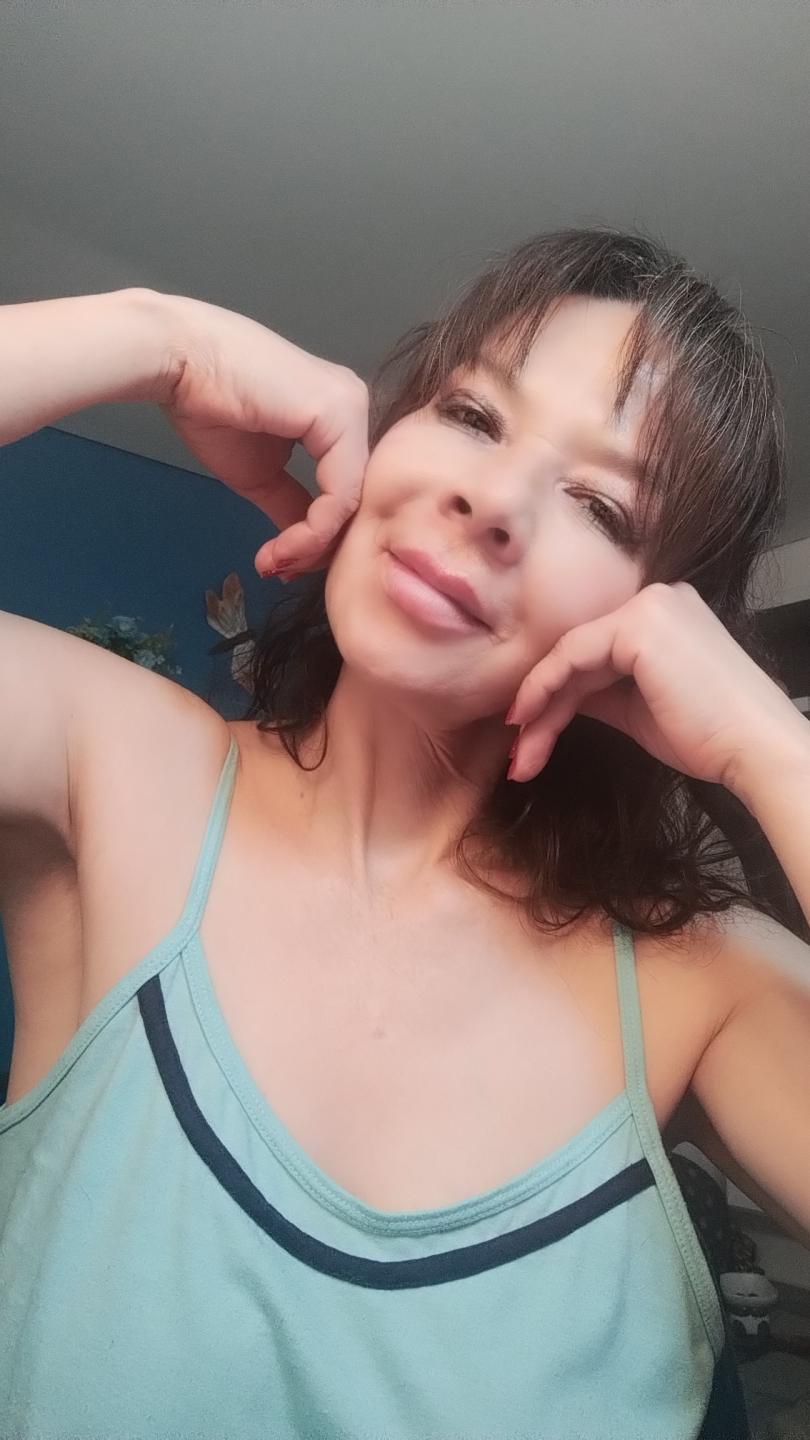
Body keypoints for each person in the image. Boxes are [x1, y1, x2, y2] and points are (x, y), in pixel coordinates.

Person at [1, 228, 809, 1439]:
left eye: (600, 504)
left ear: (661, 617)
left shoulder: (702, 979)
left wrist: (774, 751)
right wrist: (156, 336)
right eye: (474, 415)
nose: (493, 497)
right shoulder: (110, 764)